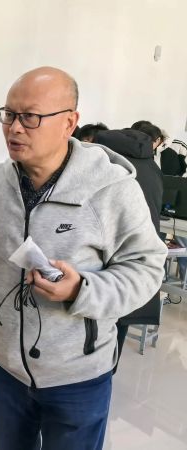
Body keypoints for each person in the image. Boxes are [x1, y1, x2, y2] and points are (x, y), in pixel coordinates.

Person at [0, 67, 167, 450]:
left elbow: (147, 269)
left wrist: (81, 289)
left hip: (76, 376)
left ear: (69, 122)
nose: (14, 128)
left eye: (30, 117)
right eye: (9, 115)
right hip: (4, 367)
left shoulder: (111, 190)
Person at [93, 129, 163, 369]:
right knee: (123, 320)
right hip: (138, 260)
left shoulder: (109, 168)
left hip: (109, 260)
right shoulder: (151, 167)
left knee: (102, 324)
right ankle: (109, 370)